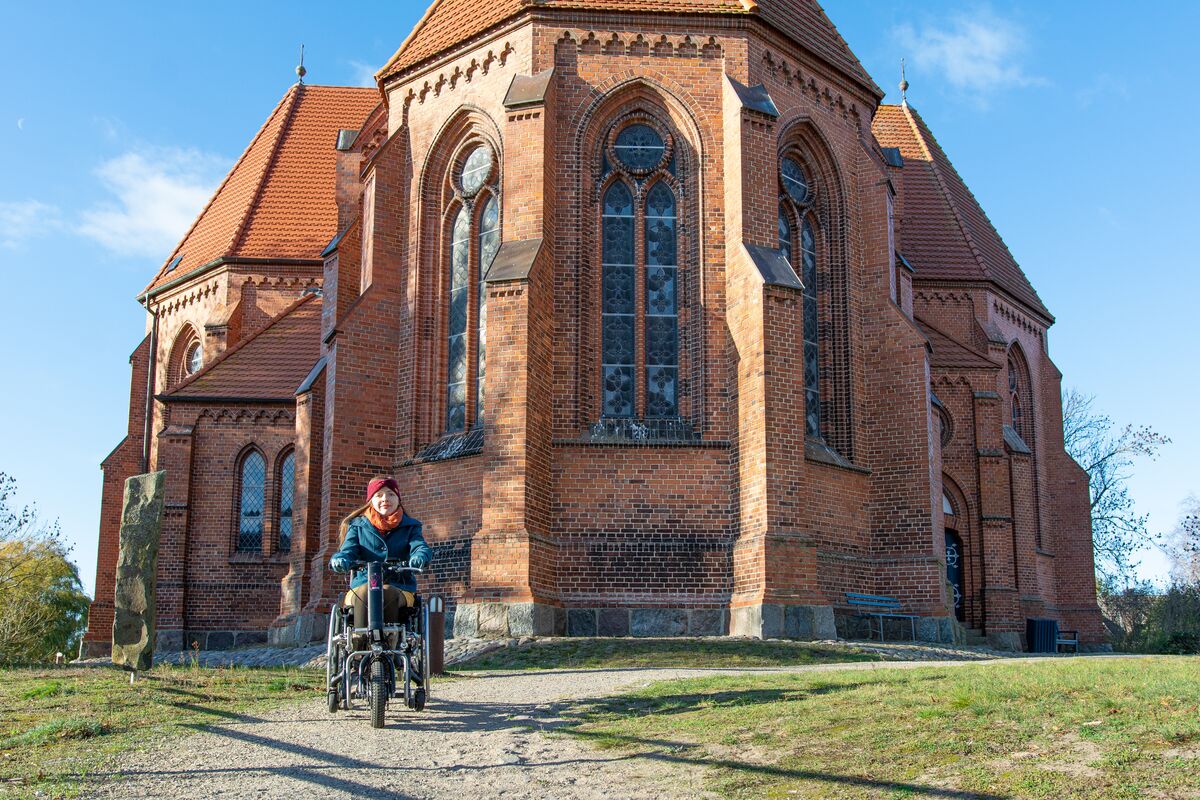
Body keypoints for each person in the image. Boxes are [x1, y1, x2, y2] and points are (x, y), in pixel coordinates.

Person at [330, 476, 432, 629]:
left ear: (398, 499)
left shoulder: (411, 526)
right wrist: (340, 559)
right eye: (379, 495)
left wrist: (419, 556)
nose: (385, 499)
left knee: (386, 592)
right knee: (367, 592)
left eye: (391, 494)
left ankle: (391, 639)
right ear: (371, 500)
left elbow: (420, 546)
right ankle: (360, 639)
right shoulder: (357, 526)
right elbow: (347, 551)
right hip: (363, 583)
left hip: (400, 584)